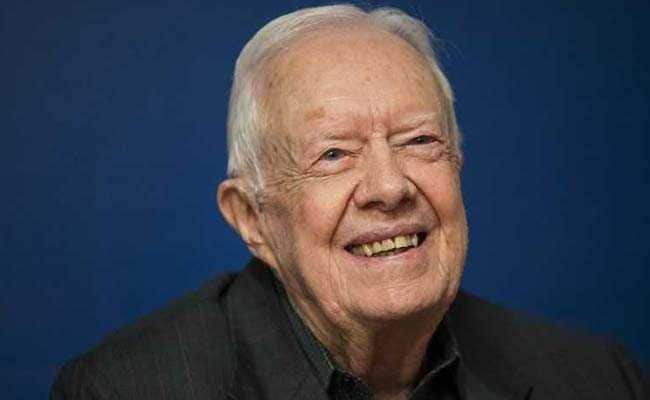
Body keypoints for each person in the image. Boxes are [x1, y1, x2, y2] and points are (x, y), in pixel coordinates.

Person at [50, 4, 649, 399]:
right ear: (252, 218)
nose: (390, 188)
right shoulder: (126, 389)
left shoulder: (598, 379)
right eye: (334, 154)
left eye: (419, 141)